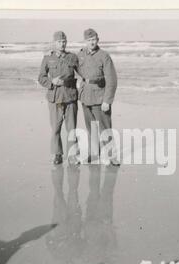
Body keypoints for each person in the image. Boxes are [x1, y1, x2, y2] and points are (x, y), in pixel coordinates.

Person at [77, 28, 119, 165]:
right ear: (85, 41)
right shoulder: (81, 55)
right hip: (85, 97)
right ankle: (94, 154)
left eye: (94, 39)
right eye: (89, 40)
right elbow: (72, 67)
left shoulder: (104, 56)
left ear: (98, 40)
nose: (91, 42)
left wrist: (107, 100)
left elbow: (112, 79)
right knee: (91, 129)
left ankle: (112, 157)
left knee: (105, 129)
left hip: (100, 98)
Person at [38, 31, 80, 165]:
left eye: (63, 41)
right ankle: (57, 154)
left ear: (66, 42)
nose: (62, 44)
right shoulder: (47, 59)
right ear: (54, 43)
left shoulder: (72, 57)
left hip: (70, 97)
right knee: (56, 128)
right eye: (59, 42)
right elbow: (41, 77)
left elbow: (83, 73)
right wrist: (51, 82)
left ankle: (73, 156)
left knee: (71, 128)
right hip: (55, 98)